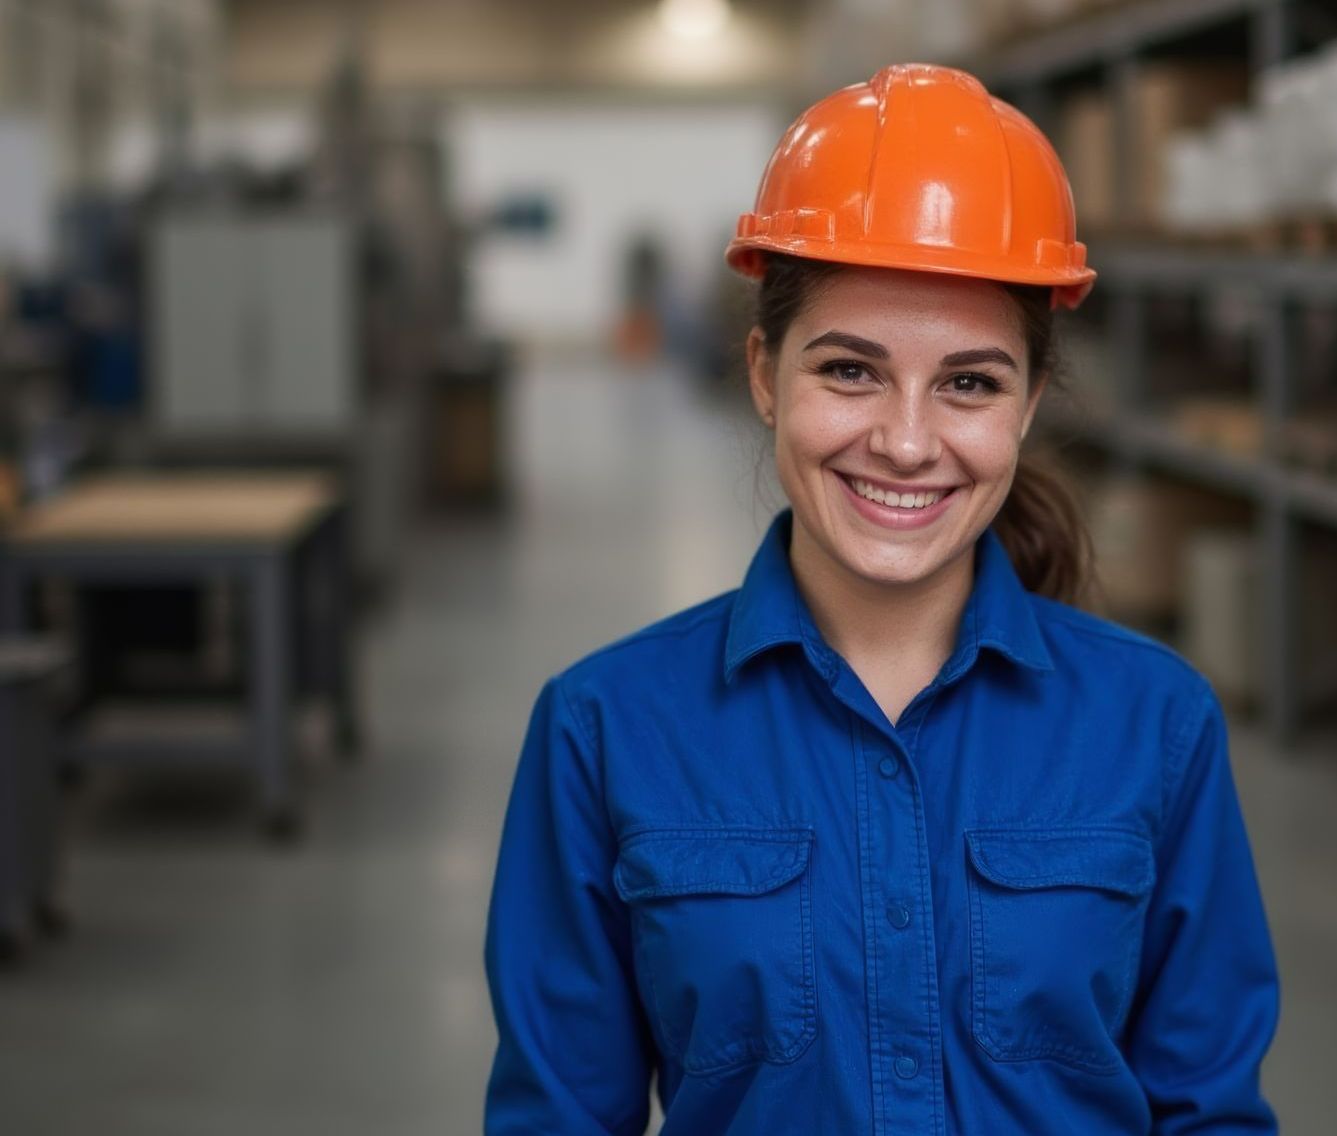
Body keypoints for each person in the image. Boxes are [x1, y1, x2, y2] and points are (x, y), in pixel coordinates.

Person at [484, 63, 1279, 1135]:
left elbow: (1211, 1111)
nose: (906, 442)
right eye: (851, 371)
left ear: (1027, 405)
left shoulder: (1156, 725)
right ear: (764, 374)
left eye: (969, 383)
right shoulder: (606, 730)